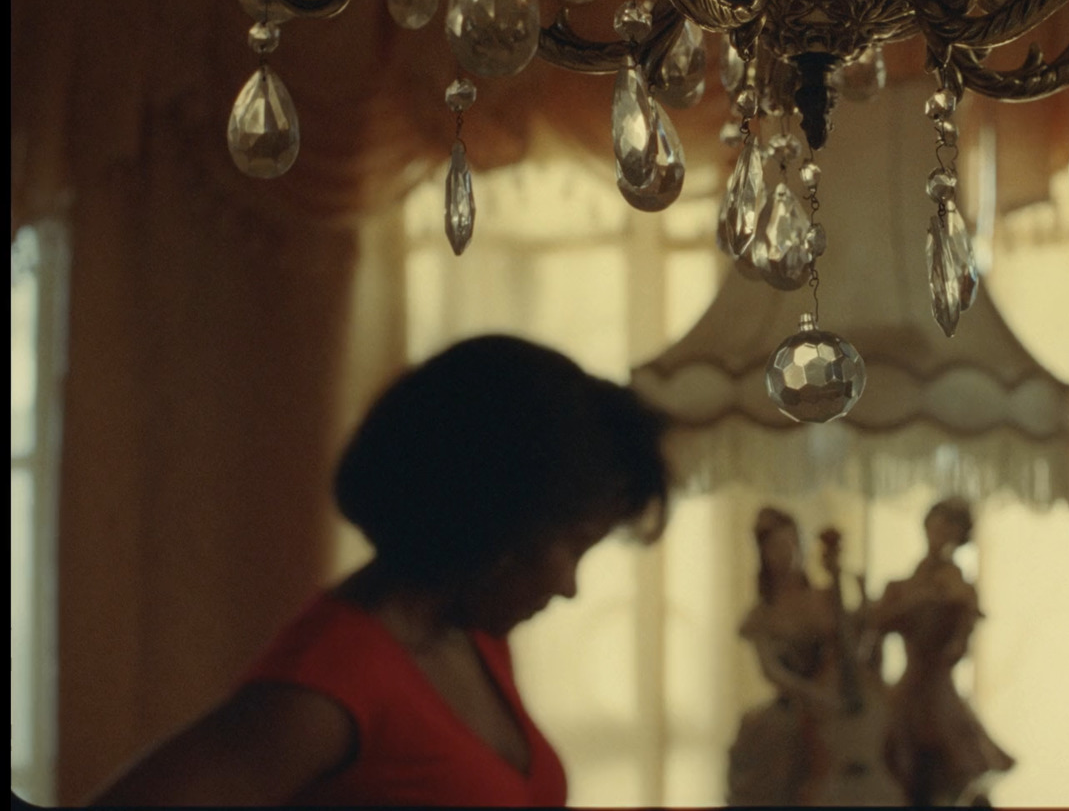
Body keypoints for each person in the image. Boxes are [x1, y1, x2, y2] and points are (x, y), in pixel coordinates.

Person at [90, 335, 670, 806]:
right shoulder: (331, 683)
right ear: (506, 523)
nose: (569, 587)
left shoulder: (471, 638)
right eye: (575, 546)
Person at [870, 497, 1014, 806]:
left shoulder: (957, 587)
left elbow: (959, 645)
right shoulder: (904, 585)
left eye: (951, 524)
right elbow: (877, 627)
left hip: (938, 689)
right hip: (909, 690)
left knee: (949, 769)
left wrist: (952, 611)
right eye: (938, 520)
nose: (941, 529)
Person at [725, 507, 839, 806]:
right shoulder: (762, 614)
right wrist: (810, 693)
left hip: (832, 700)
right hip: (792, 706)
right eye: (774, 547)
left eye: (790, 545)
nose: (784, 554)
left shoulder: (823, 599)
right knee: (776, 742)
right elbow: (772, 671)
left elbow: (848, 650)